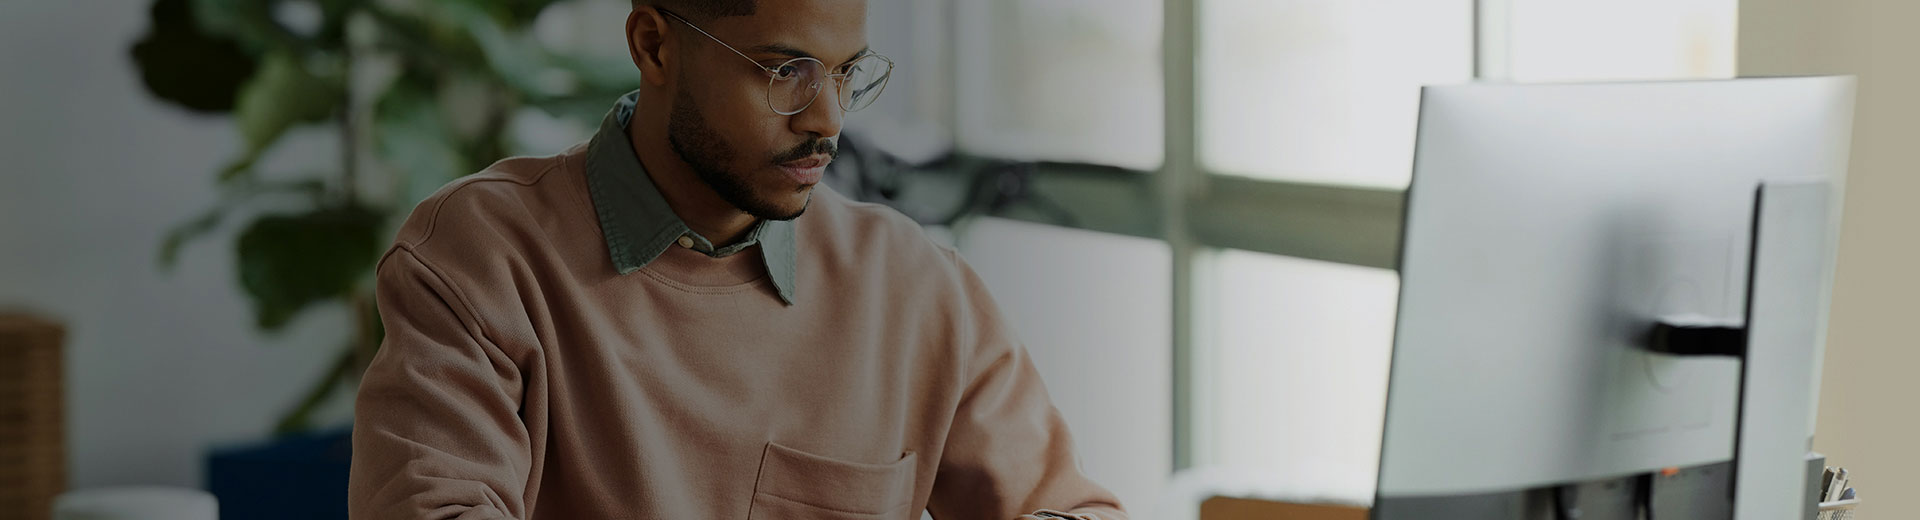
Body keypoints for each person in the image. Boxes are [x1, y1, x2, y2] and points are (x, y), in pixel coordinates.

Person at [345, 1, 1126, 518]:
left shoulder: (916, 286)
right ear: (654, 46)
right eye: (785, 72)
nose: (828, 120)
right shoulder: (480, 257)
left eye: (847, 73)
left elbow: (1072, 509)